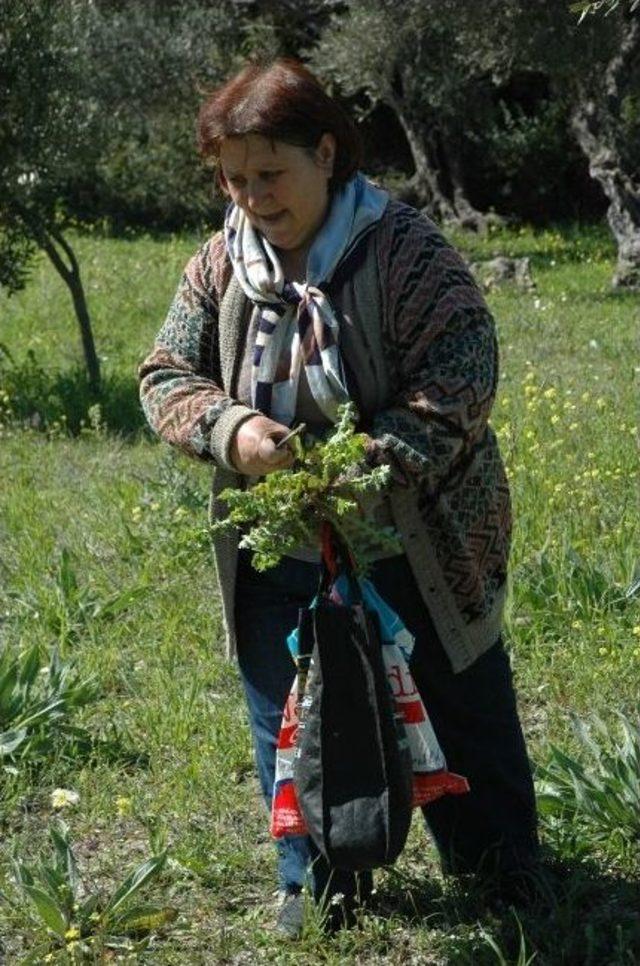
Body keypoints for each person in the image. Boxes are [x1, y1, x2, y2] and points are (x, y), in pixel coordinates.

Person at [139, 58, 539, 937]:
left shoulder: (404, 253)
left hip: (418, 540)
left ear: (327, 153)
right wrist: (232, 429)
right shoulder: (221, 265)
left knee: (455, 694)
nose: (250, 197)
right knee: (288, 705)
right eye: (234, 179)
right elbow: (165, 374)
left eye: (270, 174)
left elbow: (464, 371)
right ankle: (317, 884)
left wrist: (362, 465)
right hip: (275, 540)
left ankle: (501, 872)